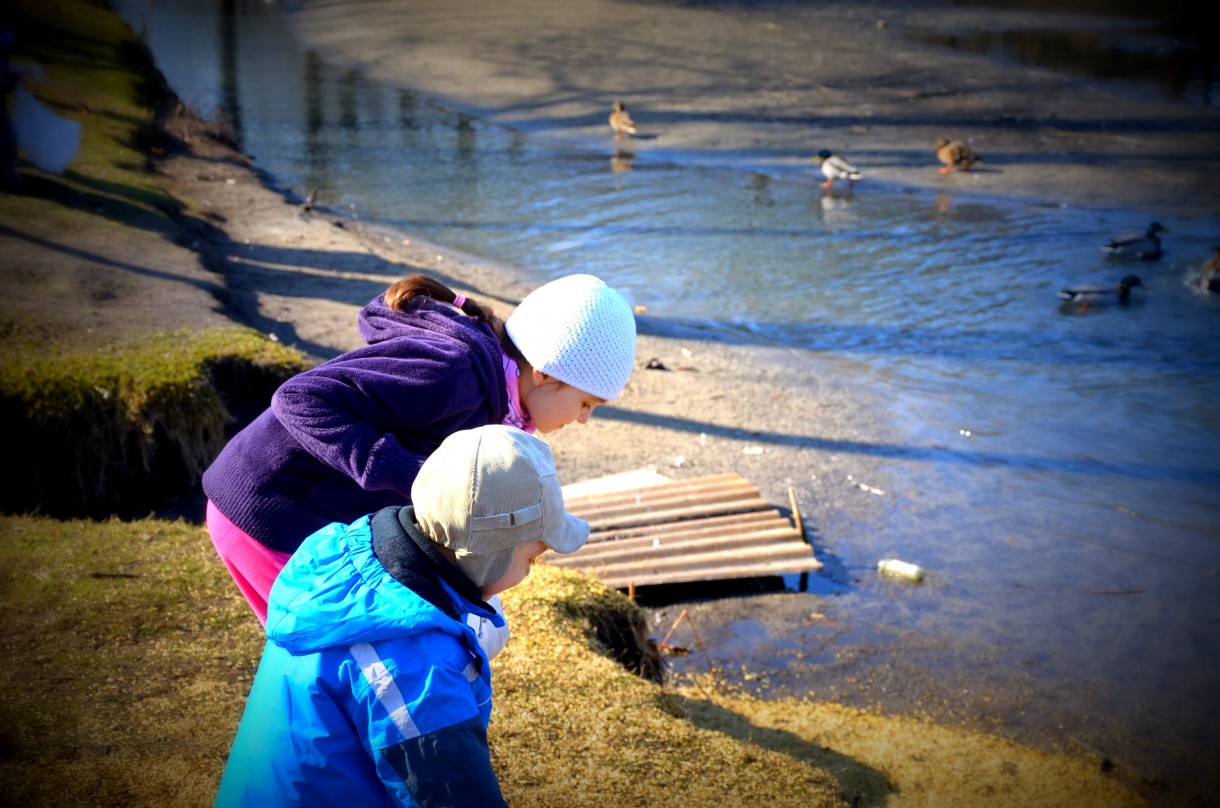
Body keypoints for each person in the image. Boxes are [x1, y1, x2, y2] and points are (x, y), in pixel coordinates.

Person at [202, 272, 635, 623]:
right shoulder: (451, 374)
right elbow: (300, 398)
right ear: (543, 373)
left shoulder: (497, 401)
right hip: (268, 509)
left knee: (343, 657)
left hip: (308, 512)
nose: (582, 419)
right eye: (585, 403)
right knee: (336, 655)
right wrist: (409, 473)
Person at [214, 424, 590, 807]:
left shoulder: (350, 556)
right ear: (493, 552)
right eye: (531, 558)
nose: (529, 572)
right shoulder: (419, 670)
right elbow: (453, 794)